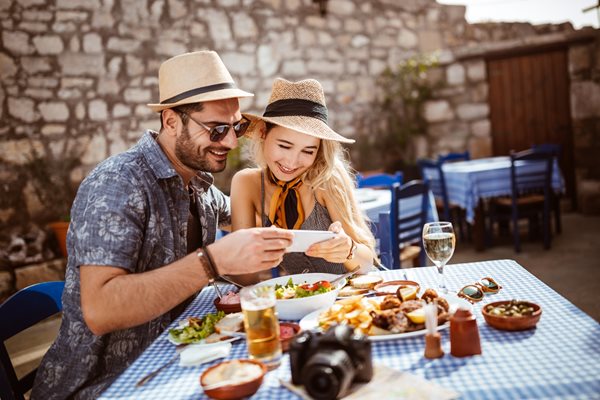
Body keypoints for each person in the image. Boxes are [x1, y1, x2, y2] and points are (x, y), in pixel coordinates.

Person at [31, 51, 293, 399]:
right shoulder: (118, 183)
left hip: (176, 357)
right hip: (104, 384)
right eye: (216, 128)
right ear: (171, 121)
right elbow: (99, 309)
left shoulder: (198, 185)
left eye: (237, 127)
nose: (230, 142)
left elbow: (246, 215)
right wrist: (212, 262)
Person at [230, 78, 376, 278]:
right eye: (284, 146)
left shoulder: (326, 179)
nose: (292, 162)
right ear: (263, 133)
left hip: (350, 298)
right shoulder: (247, 184)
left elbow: (368, 263)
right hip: (299, 302)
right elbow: (243, 273)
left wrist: (349, 249)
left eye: (308, 151)